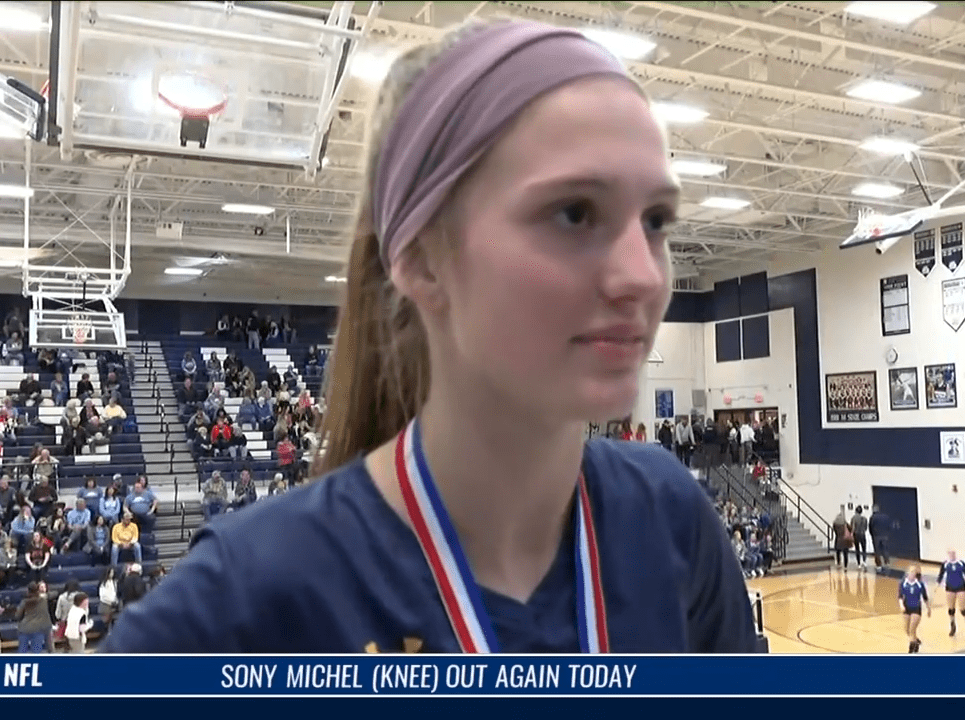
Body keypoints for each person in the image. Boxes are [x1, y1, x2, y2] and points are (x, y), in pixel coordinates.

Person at [101, 19, 756, 655]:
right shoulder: (246, 597)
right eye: (574, 212)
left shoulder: (668, 517)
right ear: (419, 258)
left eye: (656, 220)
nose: (642, 276)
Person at [937, 549, 965, 638]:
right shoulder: (945, 564)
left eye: (953, 553)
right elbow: (940, 576)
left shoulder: (961, 563)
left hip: (961, 587)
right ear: (948, 554)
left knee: (962, 608)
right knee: (951, 609)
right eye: (950, 553)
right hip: (950, 587)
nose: (952, 555)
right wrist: (937, 586)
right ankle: (953, 626)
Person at [899, 565, 931, 653]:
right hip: (906, 608)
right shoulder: (903, 583)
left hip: (916, 609)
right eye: (910, 572)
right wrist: (902, 605)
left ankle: (911, 650)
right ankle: (916, 642)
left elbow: (925, 598)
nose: (911, 574)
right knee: (907, 630)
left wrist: (928, 609)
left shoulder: (920, 585)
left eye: (913, 572)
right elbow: (900, 597)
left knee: (912, 630)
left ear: (916, 574)